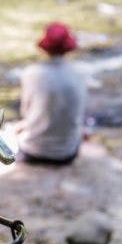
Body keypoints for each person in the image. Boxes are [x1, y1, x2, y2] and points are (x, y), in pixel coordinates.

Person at [14, 22, 87, 165]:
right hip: (67, 153)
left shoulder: (31, 73)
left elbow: (25, 111)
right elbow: (79, 114)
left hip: (33, 151)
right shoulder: (80, 74)